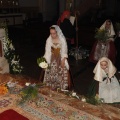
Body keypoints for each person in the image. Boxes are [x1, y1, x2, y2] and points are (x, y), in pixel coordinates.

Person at [43, 25, 73, 90]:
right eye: (51, 33)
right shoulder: (49, 40)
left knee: (61, 71)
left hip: (60, 57)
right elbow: (47, 51)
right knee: (50, 71)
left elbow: (64, 50)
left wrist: (63, 59)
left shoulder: (62, 39)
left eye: (54, 33)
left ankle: (60, 87)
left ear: (57, 32)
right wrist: (46, 61)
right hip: (52, 58)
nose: (52, 35)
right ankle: (51, 86)